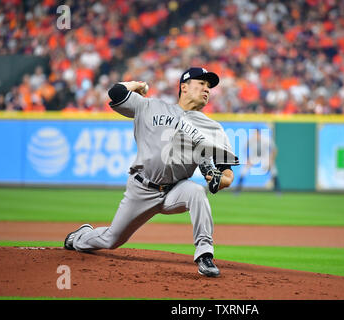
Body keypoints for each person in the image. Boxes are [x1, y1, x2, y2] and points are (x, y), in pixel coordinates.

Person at [64, 67, 239, 277]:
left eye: (209, 86)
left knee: (196, 192)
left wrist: (223, 181)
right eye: (201, 83)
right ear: (183, 87)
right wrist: (136, 85)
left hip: (176, 189)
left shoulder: (213, 129)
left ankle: (205, 255)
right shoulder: (150, 106)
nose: (207, 89)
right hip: (142, 187)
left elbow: (226, 172)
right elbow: (116, 93)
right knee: (111, 239)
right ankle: (81, 237)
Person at [234, 128, 281, 194]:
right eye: (254, 133)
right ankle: (237, 190)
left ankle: (278, 191)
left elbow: (274, 149)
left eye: (257, 133)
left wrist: (271, 159)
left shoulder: (265, 139)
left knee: (273, 170)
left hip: (265, 157)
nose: (255, 135)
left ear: (259, 133)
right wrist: (248, 159)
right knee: (243, 171)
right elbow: (245, 149)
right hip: (254, 157)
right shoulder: (251, 140)